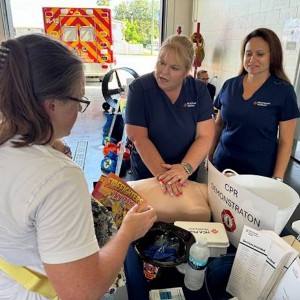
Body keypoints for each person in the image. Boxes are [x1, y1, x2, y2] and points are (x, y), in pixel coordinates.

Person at [0, 34, 157, 299]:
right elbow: (82, 291)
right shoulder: (59, 177)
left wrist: (48, 142)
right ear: (51, 105)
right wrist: (127, 233)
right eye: (79, 101)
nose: (79, 110)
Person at [125, 34, 215, 197]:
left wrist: (184, 169)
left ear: (186, 72)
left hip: (185, 175)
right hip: (148, 175)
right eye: (161, 62)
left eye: (174, 68)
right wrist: (165, 178)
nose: (163, 72)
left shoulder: (198, 91)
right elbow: (138, 137)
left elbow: (205, 136)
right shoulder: (139, 89)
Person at [209, 28, 300, 180]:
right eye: (248, 53)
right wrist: (209, 156)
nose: (252, 59)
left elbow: (285, 142)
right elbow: (218, 125)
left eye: (260, 54)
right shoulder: (229, 86)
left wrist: (277, 178)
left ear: (272, 57)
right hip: (222, 167)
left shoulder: (284, 92)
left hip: (258, 174)